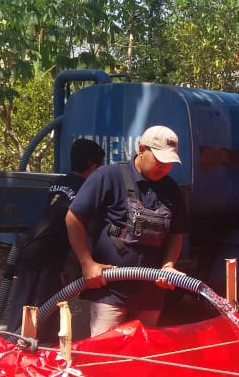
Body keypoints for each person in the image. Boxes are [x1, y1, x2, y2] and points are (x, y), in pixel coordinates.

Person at [66, 125, 189, 336]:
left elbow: (177, 234)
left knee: (143, 354)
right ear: (142, 149)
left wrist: (168, 265)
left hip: (151, 292)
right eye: (160, 160)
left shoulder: (171, 189)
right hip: (110, 290)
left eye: (169, 163)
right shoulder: (109, 176)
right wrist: (87, 263)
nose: (165, 167)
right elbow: (73, 217)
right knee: (105, 355)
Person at [8, 138, 105, 342]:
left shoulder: (59, 182)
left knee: (25, 303)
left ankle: (16, 342)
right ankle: (27, 349)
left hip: (33, 249)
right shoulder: (86, 189)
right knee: (45, 309)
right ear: (92, 165)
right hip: (49, 256)